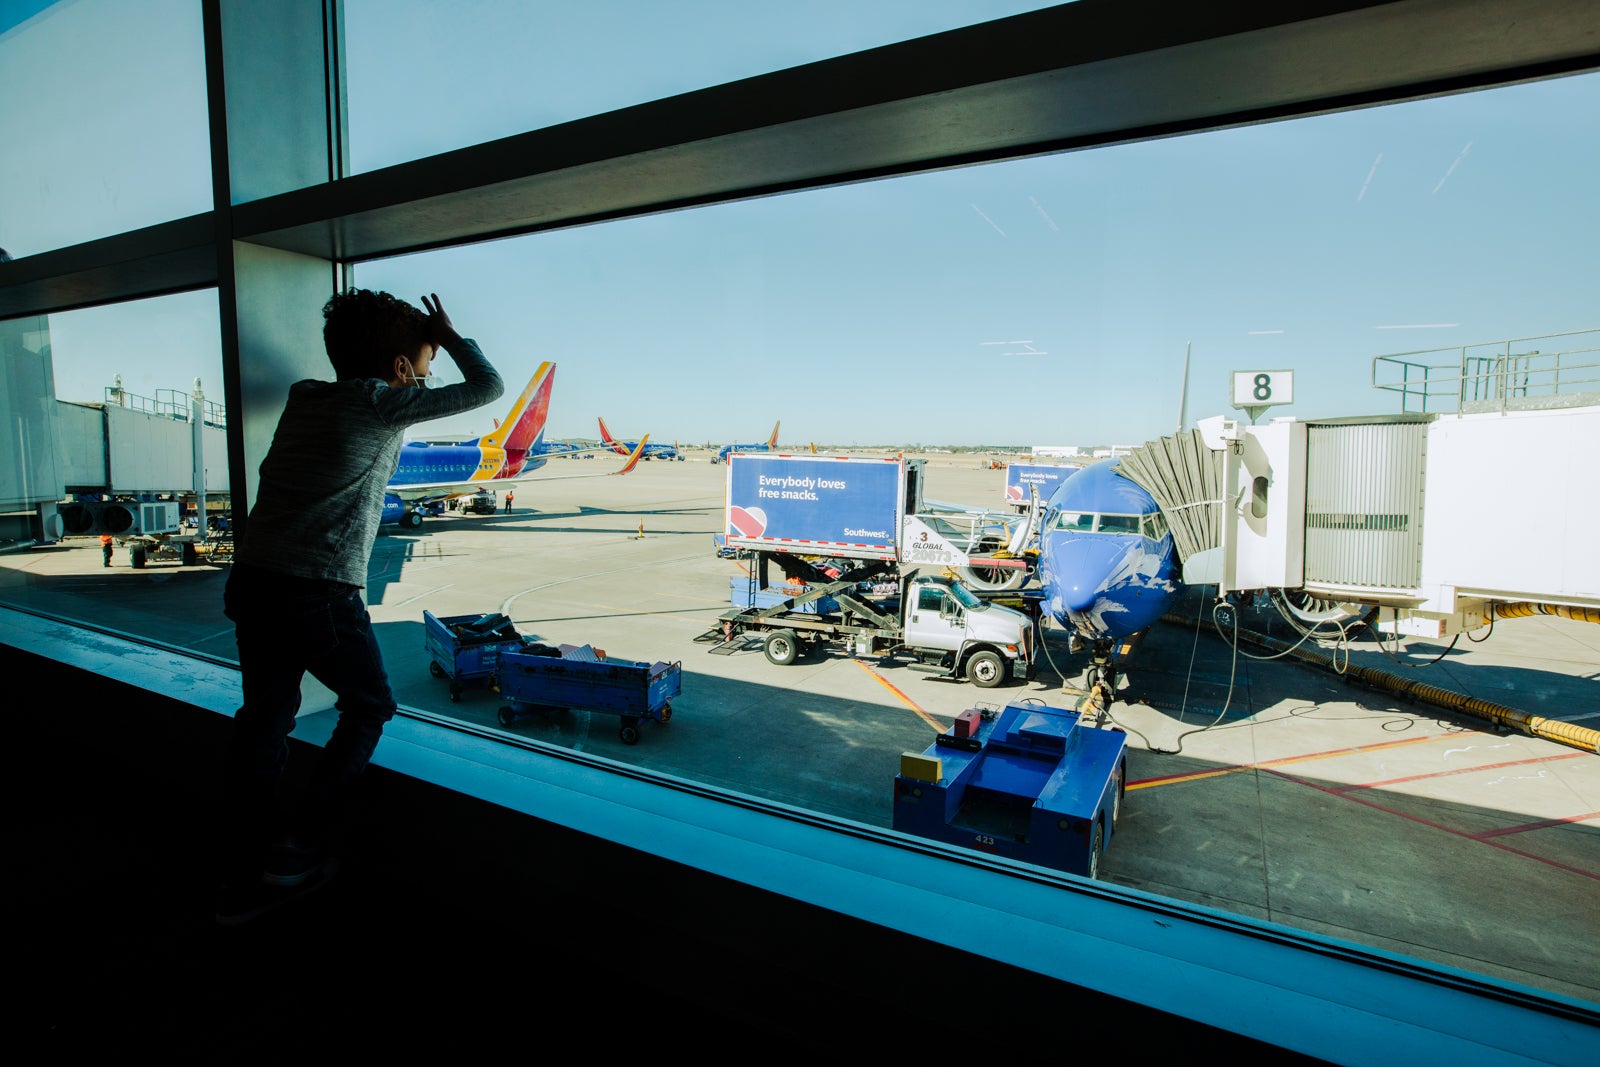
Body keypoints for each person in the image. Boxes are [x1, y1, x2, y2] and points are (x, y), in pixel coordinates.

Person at [213, 289, 504, 926]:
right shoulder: (381, 403)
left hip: (254, 581)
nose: (428, 379)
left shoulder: (304, 395)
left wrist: (427, 344)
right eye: (424, 367)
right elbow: (488, 387)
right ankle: (297, 847)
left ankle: (240, 858)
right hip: (316, 589)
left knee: (265, 719)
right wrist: (452, 337)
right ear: (400, 371)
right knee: (371, 705)